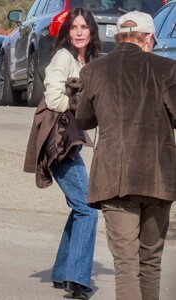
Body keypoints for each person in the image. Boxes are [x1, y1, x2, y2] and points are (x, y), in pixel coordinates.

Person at [76, 11, 176, 300]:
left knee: (126, 265)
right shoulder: (166, 68)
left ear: (119, 37)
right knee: (151, 261)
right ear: (147, 39)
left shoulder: (94, 70)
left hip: (115, 177)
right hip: (158, 178)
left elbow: (84, 120)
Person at [24, 8, 101, 300]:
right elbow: (54, 96)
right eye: (74, 27)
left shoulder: (86, 60)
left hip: (69, 142)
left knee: (81, 207)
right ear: (67, 31)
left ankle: (62, 272)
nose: (79, 32)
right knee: (88, 208)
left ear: (91, 31)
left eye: (84, 27)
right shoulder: (63, 58)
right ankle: (77, 279)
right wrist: (81, 104)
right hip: (58, 144)